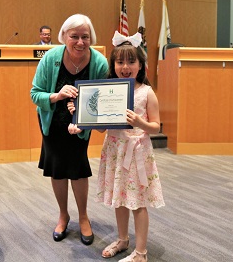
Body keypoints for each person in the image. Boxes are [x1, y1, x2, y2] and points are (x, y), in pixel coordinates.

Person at [68, 30, 165, 261]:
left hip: (137, 154)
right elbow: (101, 126)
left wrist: (141, 122)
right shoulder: (108, 90)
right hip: (114, 152)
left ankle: (141, 253)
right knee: (119, 199)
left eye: (131, 61)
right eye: (120, 61)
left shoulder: (146, 93)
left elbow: (156, 127)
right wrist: (81, 118)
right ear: (113, 65)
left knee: (138, 203)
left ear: (140, 65)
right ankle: (123, 240)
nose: (125, 66)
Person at [30, 14, 108, 246]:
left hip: (80, 126)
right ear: (64, 36)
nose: (80, 42)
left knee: (78, 169)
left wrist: (85, 123)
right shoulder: (51, 58)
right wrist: (57, 95)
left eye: (85, 37)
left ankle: (84, 217)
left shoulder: (99, 63)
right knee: (57, 169)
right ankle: (63, 215)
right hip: (52, 124)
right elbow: (35, 94)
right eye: (74, 36)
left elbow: (102, 101)